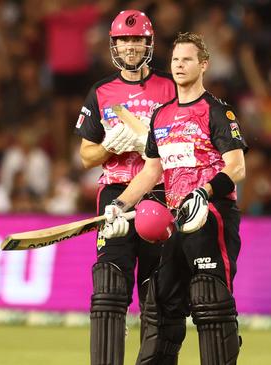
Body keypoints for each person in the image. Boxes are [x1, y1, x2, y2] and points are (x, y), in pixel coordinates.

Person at [102, 32, 247, 365]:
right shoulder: (160, 116)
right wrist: (119, 205)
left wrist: (204, 191)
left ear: (203, 65)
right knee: (161, 303)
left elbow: (236, 167)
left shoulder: (216, 111)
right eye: (176, 60)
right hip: (174, 219)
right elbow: (151, 173)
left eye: (188, 60)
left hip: (211, 214)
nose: (180, 66)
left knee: (210, 302)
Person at [73, 9, 176, 365]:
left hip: (161, 191)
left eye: (136, 40)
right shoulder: (101, 91)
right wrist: (110, 146)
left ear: (148, 43)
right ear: (114, 45)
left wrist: (149, 141)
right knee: (109, 286)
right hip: (115, 192)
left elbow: (186, 140)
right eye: (123, 40)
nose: (130, 47)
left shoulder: (169, 87)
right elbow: (86, 157)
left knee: (159, 292)